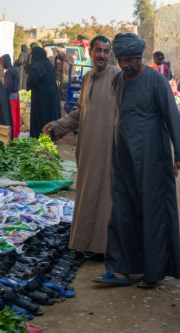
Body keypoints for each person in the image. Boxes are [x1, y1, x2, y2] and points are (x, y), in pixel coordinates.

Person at [92, 33, 180, 288]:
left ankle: (153, 272)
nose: (125, 65)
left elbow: (172, 118)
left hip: (152, 159)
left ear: (140, 57)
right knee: (122, 210)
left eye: (130, 60)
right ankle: (121, 270)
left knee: (152, 212)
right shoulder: (117, 81)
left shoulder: (155, 80)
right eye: (122, 60)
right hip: (123, 158)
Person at [42, 35, 119, 255]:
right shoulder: (86, 79)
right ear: (91, 52)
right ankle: (86, 244)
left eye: (106, 51)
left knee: (105, 198)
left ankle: (104, 248)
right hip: (87, 149)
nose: (102, 55)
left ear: (110, 53)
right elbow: (79, 113)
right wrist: (57, 126)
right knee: (87, 194)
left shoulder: (118, 77)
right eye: (98, 50)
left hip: (108, 148)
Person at [27, 47, 61, 139]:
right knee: (49, 117)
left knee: (40, 118)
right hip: (52, 95)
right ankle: (49, 136)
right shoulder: (48, 63)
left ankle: (39, 136)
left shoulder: (39, 65)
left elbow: (32, 80)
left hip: (41, 97)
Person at [0, 54, 20, 139]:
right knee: (16, 115)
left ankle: (12, 133)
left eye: (1, 63)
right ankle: (16, 132)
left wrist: (3, 95)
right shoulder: (14, 70)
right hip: (16, 95)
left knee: (12, 115)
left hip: (11, 96)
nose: (1, 65)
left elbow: (8, 86)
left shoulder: (8, 72)